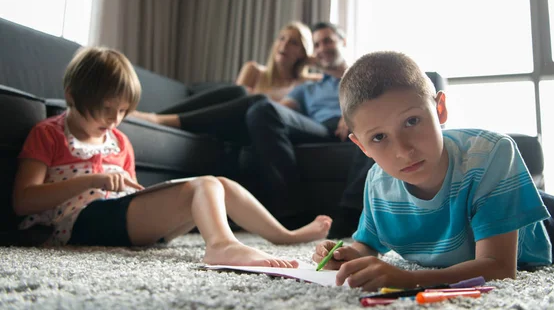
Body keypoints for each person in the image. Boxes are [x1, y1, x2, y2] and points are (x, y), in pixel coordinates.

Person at [12, 46, 332, 267]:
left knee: (219, 185)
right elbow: (23, 201)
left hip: (118, 218)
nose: (115, 119)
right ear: (72, 95)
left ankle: (284, 235)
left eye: (123, 111)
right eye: (107, 109)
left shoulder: (119, 141)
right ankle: (221, 246)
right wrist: (92, 180)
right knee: (202, 186)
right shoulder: (50, 133)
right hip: (73, 224)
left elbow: (131, 194)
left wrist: (147, 194)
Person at [312, 51, 554, 291]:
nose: (403, 150)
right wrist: (346, 255)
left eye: (412, 121)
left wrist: (411, 279)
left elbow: (500, 267)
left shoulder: (491, 152)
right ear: (361, 145)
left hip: (549, 227)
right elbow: (366, 244)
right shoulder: (377, 181)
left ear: (440, 110)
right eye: (378, 138)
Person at [129, 21, 320, 140]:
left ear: (303, 51)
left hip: (257, 130)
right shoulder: (254, 70)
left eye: (293, 42)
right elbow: (233, 104)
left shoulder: (307, 84)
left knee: (257, 101)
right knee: (239, 92)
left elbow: (336, 75)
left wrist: (314, 60)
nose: (284, 45)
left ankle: (156, 119)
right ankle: (156, 117)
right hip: (227, 121)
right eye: (281, 38)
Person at [244, 22, 353, 220]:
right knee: (262, 110)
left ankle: (350, 213)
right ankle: (291, 212)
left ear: (343, 41)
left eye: (327, 41)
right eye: (317, 45)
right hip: (320, 128)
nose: (322, 48)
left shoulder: (362, 74)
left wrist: (352, 112)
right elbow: (278, 110)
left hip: (357, 125)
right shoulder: (308, 87)